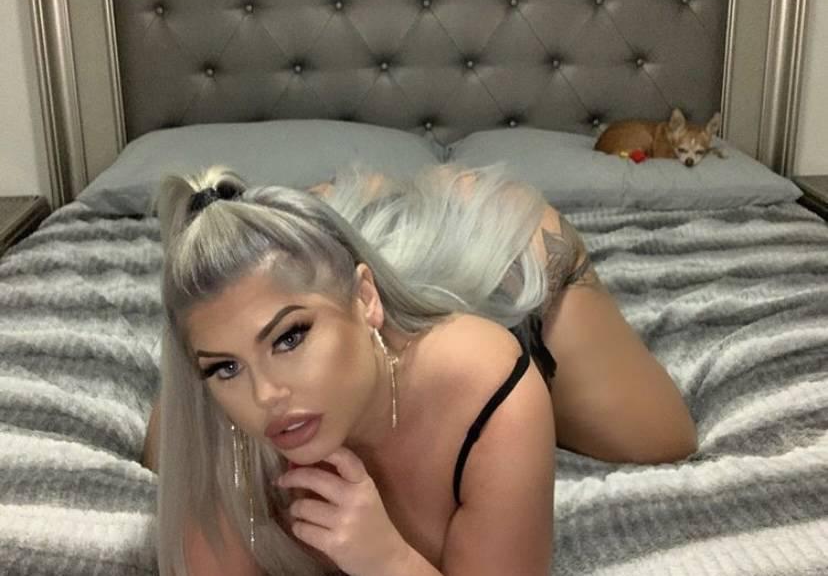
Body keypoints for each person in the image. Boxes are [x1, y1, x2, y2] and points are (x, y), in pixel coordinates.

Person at [145, 165, 697, 575]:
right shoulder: (207, 417)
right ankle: (359, 210)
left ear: (366, 298)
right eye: (225, 368)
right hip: (343, 277)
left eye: (290, 338)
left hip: (505, 266)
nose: (266, 395)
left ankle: (443, 193)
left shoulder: (486, 385)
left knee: (658, 437)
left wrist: (388, 562)